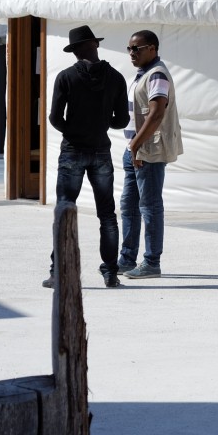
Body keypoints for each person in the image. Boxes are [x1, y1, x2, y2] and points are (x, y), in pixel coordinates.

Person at [46, 25, 129, 288]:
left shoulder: (66, 77)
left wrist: (75, 130)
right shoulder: (116, 78)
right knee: (107, 215)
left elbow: (55, 118)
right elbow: (122, 120)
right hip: (100, 151)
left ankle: (58, 271)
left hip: (72, 150)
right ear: (95, 45)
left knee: (64, 211)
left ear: (76, 50)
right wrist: (101, 122)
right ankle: (111, 273)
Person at [118, 30, 183, 280]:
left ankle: (151, 262)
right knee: (129, 206)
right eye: (129, 49)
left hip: (148, 152)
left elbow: (156, 114)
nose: (132, 53)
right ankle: (127, 258)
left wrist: (135, 145)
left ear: (152, 48)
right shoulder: (143, 75)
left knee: (150, 207)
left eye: (137, 48)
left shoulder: (156, 75)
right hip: (135, 150)